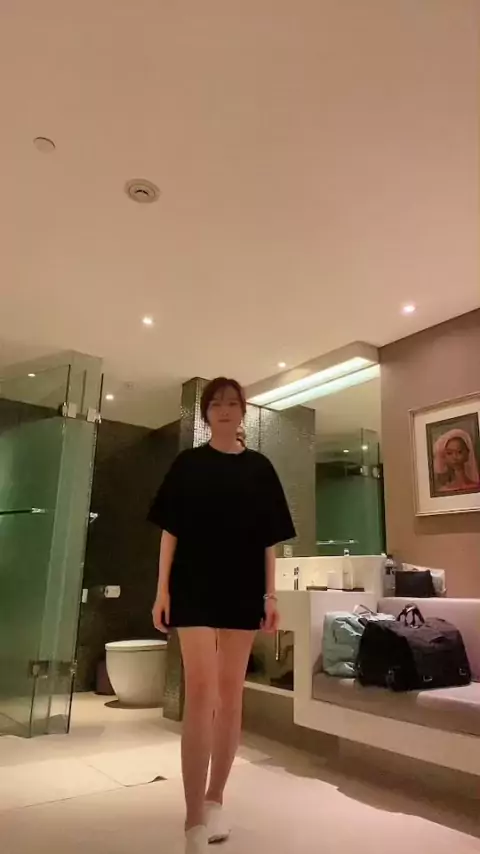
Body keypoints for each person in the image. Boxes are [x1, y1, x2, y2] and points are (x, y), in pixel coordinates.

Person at [149, 377, 295, 854]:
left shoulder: (260, 468)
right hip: (192, 585)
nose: (225, 410)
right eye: (216, 404)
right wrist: (161, 590)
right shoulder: (188, 464)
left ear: (243, 411)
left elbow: (269, 540)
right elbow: (170, 531)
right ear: (206, 413)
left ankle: (216, 799)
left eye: (233, 403)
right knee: (201, 692)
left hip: (242, 587)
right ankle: (192, 817)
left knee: (231, 695)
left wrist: (271, 596)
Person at [433, 428, 480, 493]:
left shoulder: (476, 486)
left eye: (459, 452)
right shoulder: (443, 490)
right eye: (449, 453)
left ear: (467, 453)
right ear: (444, 456)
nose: (455, 457)